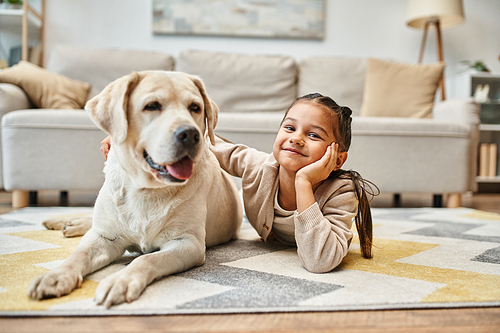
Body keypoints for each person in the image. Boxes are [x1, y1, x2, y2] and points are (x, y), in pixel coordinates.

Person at [100, 93, 378, 273]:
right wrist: (132, 139)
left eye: (314, 135)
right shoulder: (259, 166)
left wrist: (304, 182)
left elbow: (320, 261)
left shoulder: (343, 192)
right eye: (290, 128)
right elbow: (212, 146)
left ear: (338, 158)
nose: (296, 138)